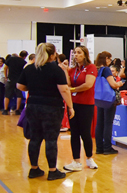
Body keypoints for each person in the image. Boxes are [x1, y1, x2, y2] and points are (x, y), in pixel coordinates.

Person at [17, 43, 74, 181]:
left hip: (33, 106)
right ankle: (52, 170)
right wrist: (70, 106)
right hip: (52, 107)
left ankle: (34, 168)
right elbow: (64, 89)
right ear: (53, 55)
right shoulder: (56, 70)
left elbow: (20, 86)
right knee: (51, 139)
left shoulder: (30, 68)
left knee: (35, 138)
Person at [65, 46, 97, 171]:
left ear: (85, 55)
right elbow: (67, 84)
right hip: (73, 104)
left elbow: (88, 85)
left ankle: (89, 158)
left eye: (79, 53)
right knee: (74, 132)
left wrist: (73, 89)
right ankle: (76, 160)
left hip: (86, 104)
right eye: (75, 53)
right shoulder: (72, 70)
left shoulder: (91, 68)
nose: (76, 55)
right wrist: (64, 71)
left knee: (85, 132)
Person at [94, 51, 123, 155]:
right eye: (110, 59)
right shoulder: (106, 70)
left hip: (99, 98)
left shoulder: (96, 69)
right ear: (106, 59)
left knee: (100, 122)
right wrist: (119, 83)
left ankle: (99, 147)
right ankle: (107, 147)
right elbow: (113, 85)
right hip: (108, 99)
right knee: (108, 123)